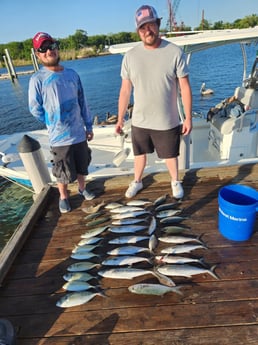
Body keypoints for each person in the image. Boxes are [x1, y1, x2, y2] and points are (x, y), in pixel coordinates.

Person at [115, 5, 192, 199]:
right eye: (143, 27)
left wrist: (189, 117)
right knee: (139, 154)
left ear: (158, 25)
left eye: (151, 25)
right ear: (138, 31)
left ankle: (175, 181)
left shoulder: (175, 52)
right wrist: (120, 118)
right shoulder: (130, 56)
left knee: (170, 155)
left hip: (167, 120)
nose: (147, 31)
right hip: (140, 120)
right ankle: (138, 181)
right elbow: (125, 90)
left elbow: (184, 87)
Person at [29, 32, 95, 213]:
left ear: (57, 49)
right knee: (62, 169)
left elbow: (83, 101)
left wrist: (88, 126)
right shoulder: (37, 79)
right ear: (38, 54)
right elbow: (35, 108)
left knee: (82, 163)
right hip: (59, 138)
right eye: (43, 48)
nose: (49, 51)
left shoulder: (72, 74)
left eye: (52, 46)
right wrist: (52, 122)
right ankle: (64, 196)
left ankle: (82, 189)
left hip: (79, 133)